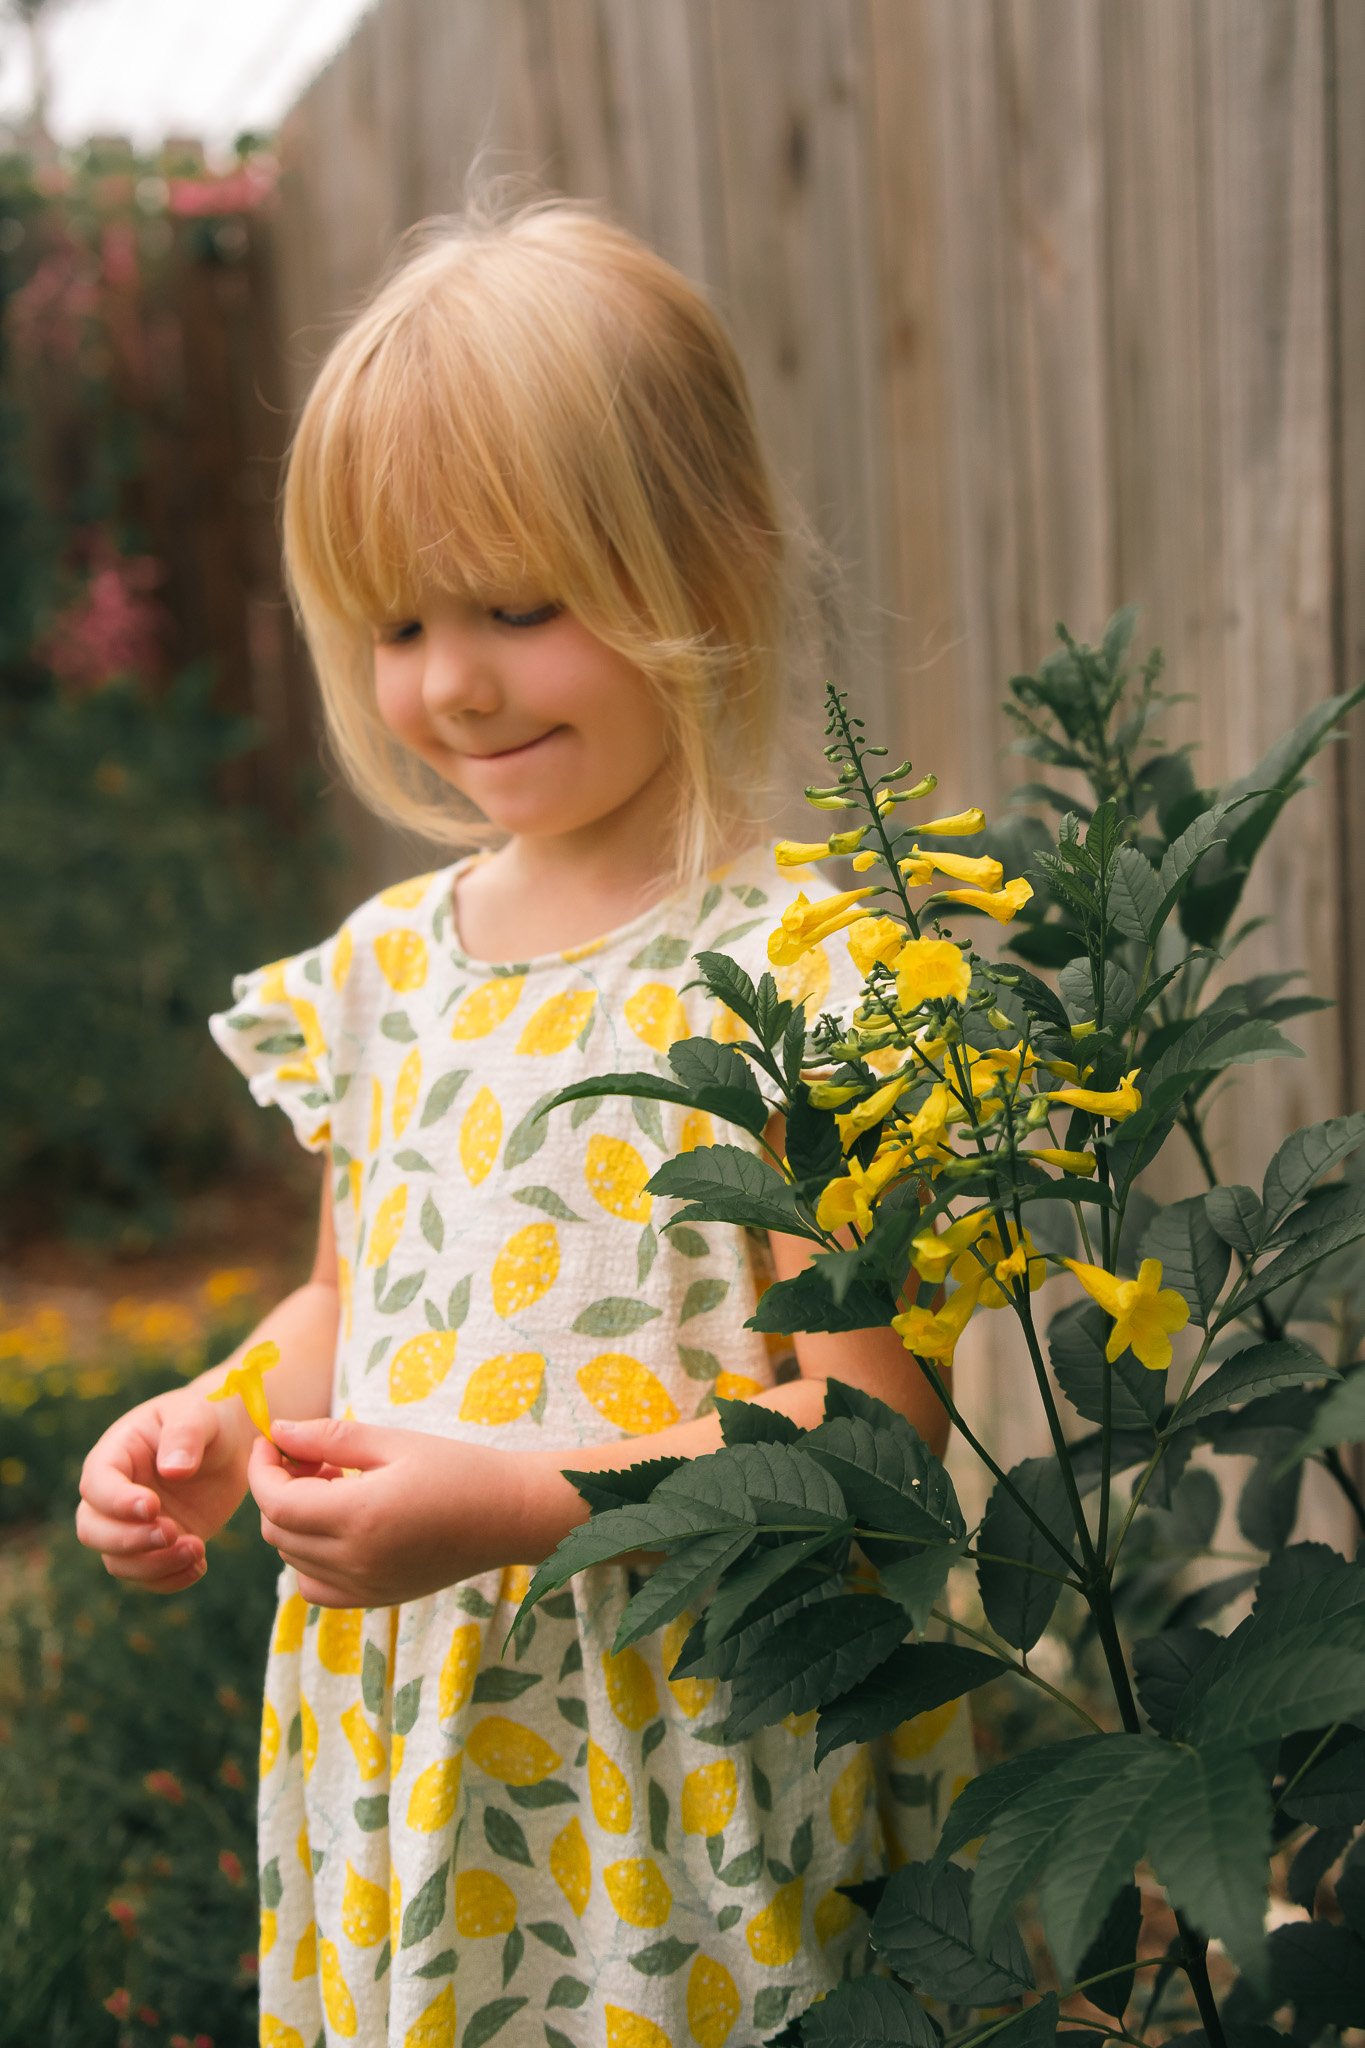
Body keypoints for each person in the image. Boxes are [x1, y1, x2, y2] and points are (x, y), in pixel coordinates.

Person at [76, 189, 973, 2048]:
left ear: (700, 564)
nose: (450, 681)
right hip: (419, 1737)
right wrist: (218, 1422)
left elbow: (872, 1435)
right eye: (396, 620)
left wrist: (522, 1509)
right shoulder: (386, 967)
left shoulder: (810, 970)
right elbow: (347, 1305)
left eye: (516, 605)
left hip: (677, 1764)